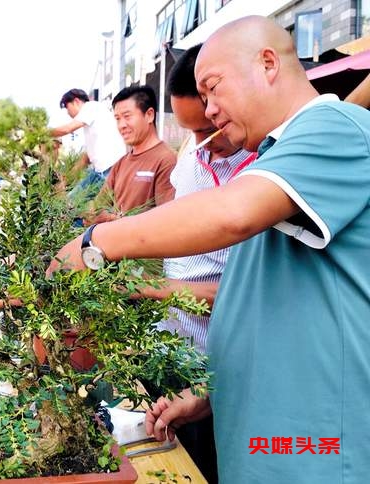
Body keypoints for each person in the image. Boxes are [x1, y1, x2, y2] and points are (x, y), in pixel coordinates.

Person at [50, 15, 370, 484]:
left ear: (267, 63)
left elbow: (231, 213)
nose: (211, 108)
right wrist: (212, 392)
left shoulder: (335, 127)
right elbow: (263, 304)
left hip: (315, 450)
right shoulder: (273, 165)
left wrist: (93, 245)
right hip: (267, 443)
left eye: (214, 88)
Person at [145, 43, 254, 484]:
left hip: (229, 367)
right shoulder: (190, 164)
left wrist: (146, 289)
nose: (202, 142)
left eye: (207, 127)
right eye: (189, 130)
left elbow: (243, 295)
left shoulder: (264, 174)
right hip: (179, 355)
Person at [86, 85, 176, 225]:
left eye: (127, 116)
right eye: (117, 118)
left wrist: (114, 220)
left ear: (149, 115)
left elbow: (166, 222)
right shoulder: (120, 164)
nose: (122, 125)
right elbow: (95, 211)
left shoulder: (167, 160)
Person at [50, 88, 127, 197]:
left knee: (75, 204)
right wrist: (65, 181)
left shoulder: (91, 107)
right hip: (101, 171)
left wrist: (41, 133)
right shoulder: (93, 123)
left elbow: (67, 129)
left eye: (67, 108)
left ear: (76, 101)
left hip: (110, 169)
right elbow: (85, 158)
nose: (68, 113)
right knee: (72, 201)